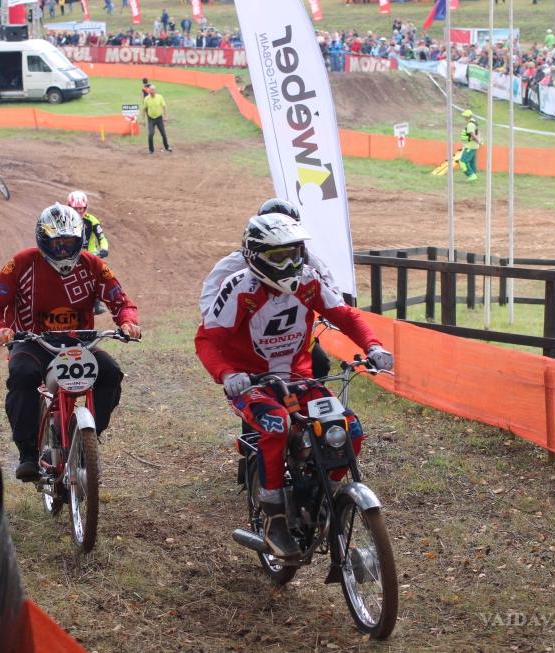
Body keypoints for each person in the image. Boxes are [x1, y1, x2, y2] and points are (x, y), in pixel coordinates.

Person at [195, 214, 393, 559]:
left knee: (350, 429)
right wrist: (227, 375)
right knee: (276, 424)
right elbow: (206, 339)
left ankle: (327, 494)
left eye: (295, 253)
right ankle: (274, 518)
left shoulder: (309, 282)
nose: (289, 264)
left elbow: (345, 315)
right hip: (252, 383)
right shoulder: (241, 288)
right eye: (278, 257)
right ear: (256, 256)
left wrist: (373, 346)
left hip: (300, 379)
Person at [0, 203, 142, 481]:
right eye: (56, 242)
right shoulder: (21, 263)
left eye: (69, 242)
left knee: (110, 373)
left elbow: (120, 301)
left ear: (80, 239)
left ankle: (87, 436)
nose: (63, 250)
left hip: (79, 344)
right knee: (22, 375)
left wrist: (128, 322)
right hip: (33, 342)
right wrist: (0, 329)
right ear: (42, 239)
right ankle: (28, 452)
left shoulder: (93, 265)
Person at [198, 198, 333, 379]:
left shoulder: (307, 259)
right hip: (252, 333)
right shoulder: (235, 262)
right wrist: (222, 317)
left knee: (320, 364)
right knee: (252, 378)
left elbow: (331, 289)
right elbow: (210, 295)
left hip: (294, 331)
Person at [67, 190, 111, 314]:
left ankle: (97, 304)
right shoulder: (63, 221)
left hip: (91, 255)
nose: (79, 211)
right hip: (71, 255)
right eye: (76, 208)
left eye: (81, 208)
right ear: (69, 207)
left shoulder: (92, 220)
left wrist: (104, 249)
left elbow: (102, 238)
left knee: (102, 273)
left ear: (85, 207)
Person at [142, 84, 171, 154]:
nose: (151, 92)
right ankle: (151, 150)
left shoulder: (160, 97)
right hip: (151, 119)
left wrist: (165, 116)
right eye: (150, 90)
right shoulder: (146, 99)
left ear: (155, 91)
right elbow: (144, 109)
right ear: (148, 91)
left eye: (152, 90)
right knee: (150, 134)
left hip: (159, 118)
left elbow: (164, 107)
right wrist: (143, 120)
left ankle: (167, 147)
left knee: (163, 133)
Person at [460, 109, 480, 182]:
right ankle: (474, 176)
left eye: (465, 116)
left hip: (470, 146)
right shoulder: (474, 122)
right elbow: (477, 133)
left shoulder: (470, 124)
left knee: (463, 162)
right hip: (474, 146)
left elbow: (473, 135)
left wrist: (478, 141)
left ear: (467, 116)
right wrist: (479, 141)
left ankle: (471, 175)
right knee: (472, 162)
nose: (464, 117)